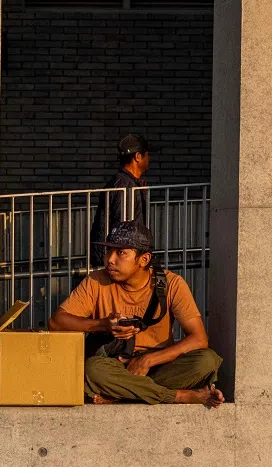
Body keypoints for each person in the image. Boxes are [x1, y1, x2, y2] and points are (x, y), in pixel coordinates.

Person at [49, 220, 224, 407]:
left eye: (121, 252)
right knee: (93, 369)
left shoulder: (172, 283)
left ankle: (122, 392)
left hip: (159, 364)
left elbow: (199, 339)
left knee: (207, 361)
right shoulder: (96, 281)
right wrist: (103, 325)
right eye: (109, 251)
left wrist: (148, 360)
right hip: (116, 364)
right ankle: (178, 396)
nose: (110, 259)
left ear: (144, 259)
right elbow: (56, 322)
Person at [89, 134, 152, 267]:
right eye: (147, 154)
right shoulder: (125, 185)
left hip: (117, 257)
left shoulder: (125, 182)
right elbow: (123, 226)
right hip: (118, 260)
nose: (149, 158)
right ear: (138, 157)